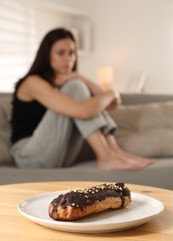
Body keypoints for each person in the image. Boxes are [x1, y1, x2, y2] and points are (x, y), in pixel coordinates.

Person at [10, 28, 154, 170]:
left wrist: (79, 76)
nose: (69, 58)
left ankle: (115, 152)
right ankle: (106, 157)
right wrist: (111, 92)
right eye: (61, 53)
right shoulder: (32, 82)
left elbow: (111, 104)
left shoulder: (66, 82)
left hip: (58, 154)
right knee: (77, 89)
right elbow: (86, 111)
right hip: (29, 155)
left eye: (72, 53)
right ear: (47, 55)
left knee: (89, 98)